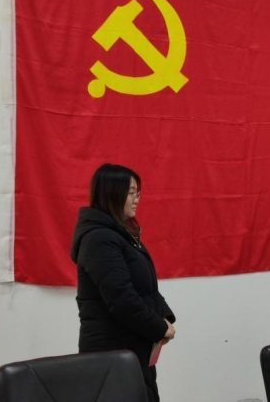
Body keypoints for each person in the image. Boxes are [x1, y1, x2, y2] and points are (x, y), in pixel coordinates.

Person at [70, 163, 176, 402]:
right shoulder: (99, 239)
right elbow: (121, 298)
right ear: (112, 194)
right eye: (131, 193)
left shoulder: (123, 234)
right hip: (111, 354)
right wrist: (158, 327)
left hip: (134, 348)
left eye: (138, 192)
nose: (137, 199)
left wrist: (165, 318)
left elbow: (146, 288)